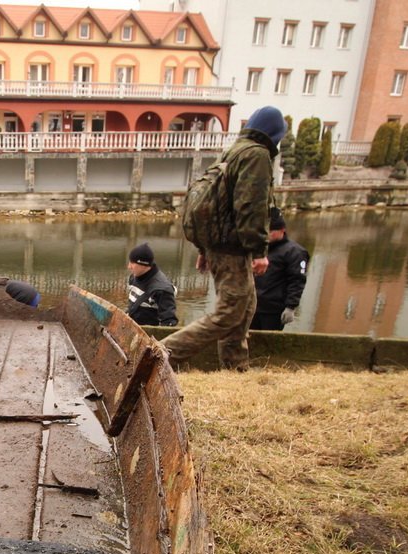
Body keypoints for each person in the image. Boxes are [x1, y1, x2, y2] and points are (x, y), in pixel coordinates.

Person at [161, 106, 287, 370]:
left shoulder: (233, 151)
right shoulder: (256, 155)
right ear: (275, 134)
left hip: (220, 245)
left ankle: (235, 368)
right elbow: (251, 207)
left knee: (244, 308)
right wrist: (260, 251)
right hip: (234, 248)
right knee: (230, 312)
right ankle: (162, 353)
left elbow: (214, 206)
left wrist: (204, 249)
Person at [251, 207, 309, 331]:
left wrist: (291, 306)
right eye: (265, 230)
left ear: (282, 230)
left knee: (269, 344)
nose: (267, 234)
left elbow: (297, 281)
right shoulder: (258, 248)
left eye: (271, 231)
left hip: (273, 310)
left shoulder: (295, 252)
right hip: (252, 306)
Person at [124, 242, 178, 327]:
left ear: (143, 265)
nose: (129, 267)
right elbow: (132, 306)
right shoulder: (133, 277)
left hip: (148, 335)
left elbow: (169, 323)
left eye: (132, 263)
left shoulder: (162, 290)